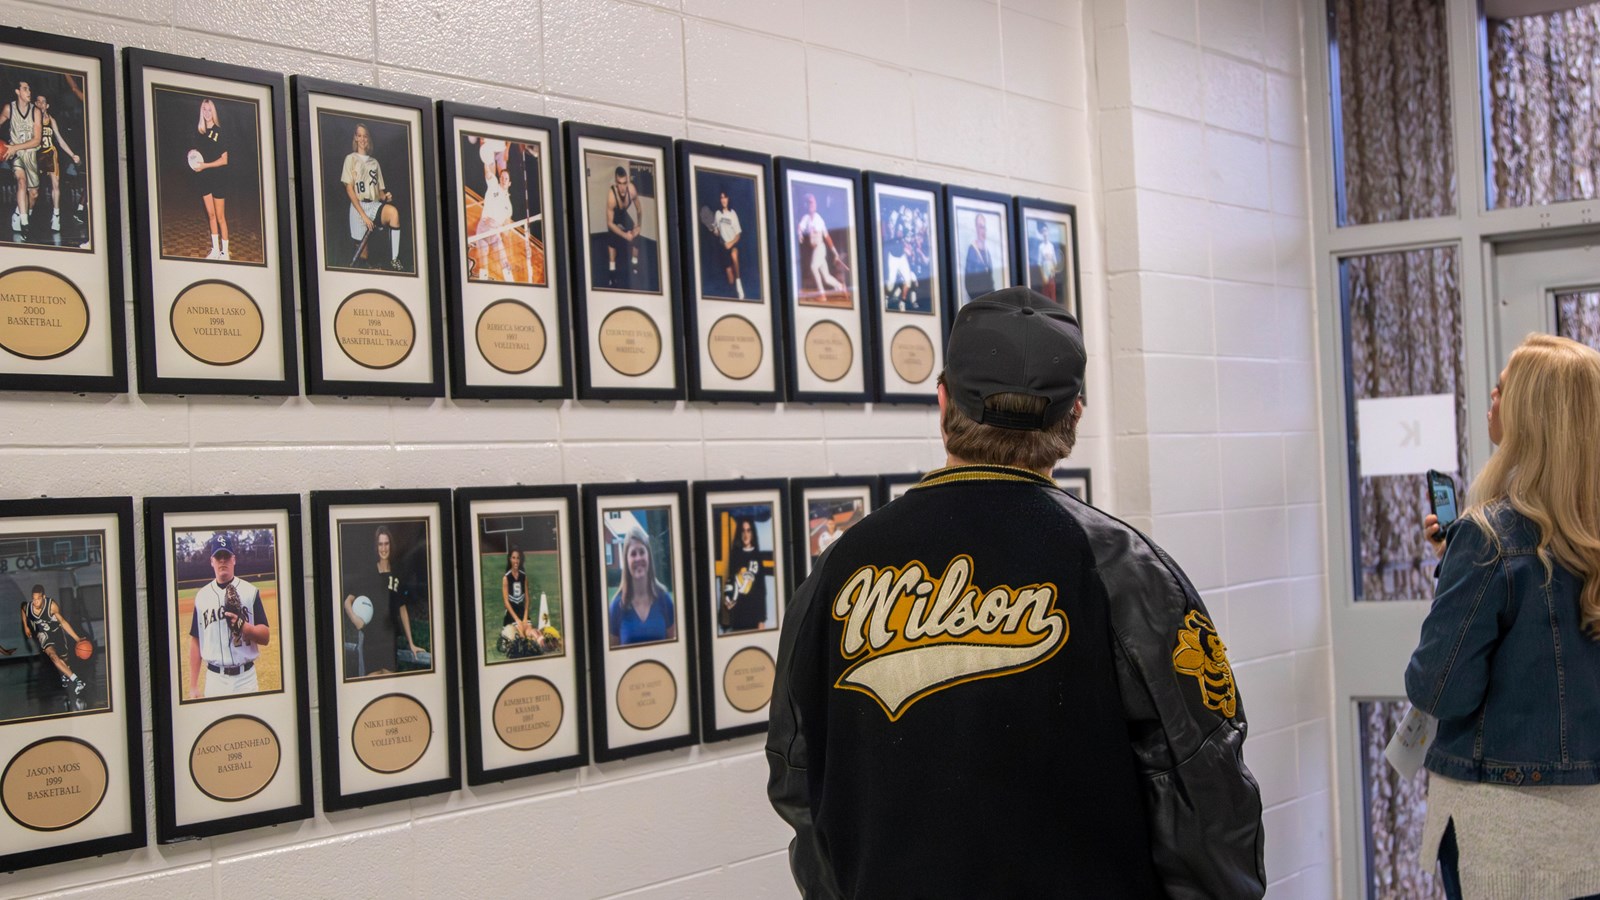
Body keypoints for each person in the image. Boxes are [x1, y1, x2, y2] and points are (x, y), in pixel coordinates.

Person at [767, 286, 1265, 899]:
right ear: (1075, 415)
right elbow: (1206, 795)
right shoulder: (1123, 568)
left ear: (944, 400)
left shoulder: (838, 568)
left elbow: (797, 778)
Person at [1407, 333, 1600, 900]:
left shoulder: (1490, 539)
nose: (1490, 397)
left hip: (1506, 835)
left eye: (1503, 388)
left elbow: (1438, 690)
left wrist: (1461, 570)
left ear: (1533, 416)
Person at [187, 538, 269, 699]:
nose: (222, 560)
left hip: (246, 679)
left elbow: (265, 637)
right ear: (212, 561)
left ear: (234, 559)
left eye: (226, 556)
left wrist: (246, 628)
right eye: (218, 557)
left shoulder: (250, 591)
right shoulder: (202, 596)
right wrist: (193, 685)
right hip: (215, 679)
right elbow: (196, 640)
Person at [343, 525, 423, 676]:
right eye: (380, 544)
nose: (384, 548)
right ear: (376, 546)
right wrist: (355, 619)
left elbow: (402, 609)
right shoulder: (368, 573)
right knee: (371, 685)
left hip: (389, 641)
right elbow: (348, 601)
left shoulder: (397, 574)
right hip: (371, 642)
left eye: (386, 543)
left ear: (390, 545)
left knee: (389, 689)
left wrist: (411, 643)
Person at [340, 123, 404, 271]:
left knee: (393, 213)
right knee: (363, 257)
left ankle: (395, 260)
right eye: (359, 135)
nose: (362, 139)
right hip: (358, 208)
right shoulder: (350, 159)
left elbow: (380, 193)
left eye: (365, 136)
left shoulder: (374, 162)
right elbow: (349, 189)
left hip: (373, 205)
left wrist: (386, 197)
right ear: (355, 138)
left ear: (368, 139)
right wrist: (363, 216)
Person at [607, 522, 675, 646]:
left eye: (642, 552)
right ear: (626, 560)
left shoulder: (664, 600)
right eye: (633, 554)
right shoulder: (616, 607)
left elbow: (674, 649)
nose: (638, 558)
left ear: (648, 556)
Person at [20, 584, 89, 696]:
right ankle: (77, 681)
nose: (35, 602)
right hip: (43, 634)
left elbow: (63, 622)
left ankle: (65, 674)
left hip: (57, 632)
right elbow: (22, 609)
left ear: (44, 597)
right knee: (53, 656)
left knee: (64, 659)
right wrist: (26, 626)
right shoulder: (29, 608)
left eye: (38, 599)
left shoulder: (52, 606)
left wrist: (77, 638)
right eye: (33, 599)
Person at [33, 93, 79, 234]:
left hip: (49, 153)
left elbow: (60, 139)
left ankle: (56, 215)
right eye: (38, 101)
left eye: (43, 102)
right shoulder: (31, 119)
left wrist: (72, 154)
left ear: (47, 106)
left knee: (55, 184)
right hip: (35, 154)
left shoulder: (51, 120)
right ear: (35, 104)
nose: (40, 104)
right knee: (32, 190)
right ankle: (23, 214)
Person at [192, 98, 232, 260]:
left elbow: (225, 160)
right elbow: (198, 153)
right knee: (211, 215)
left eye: (209, 110)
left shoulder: (220, 131)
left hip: (218, 178)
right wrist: (194, 158)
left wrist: (205, 165)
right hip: (203, 178)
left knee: (221, 216)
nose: (207, 113)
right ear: (201, 111)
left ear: (213, 112)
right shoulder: (199, 131)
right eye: (204, 109)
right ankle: (215, 249)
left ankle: (225, 251)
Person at [2, 80, 41, 233]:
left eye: (29, 88)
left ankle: (21, 213)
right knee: (21, 182)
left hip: (31, 154)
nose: (29, 91)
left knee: (34, 194)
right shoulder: (8, 109)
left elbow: (37, 140)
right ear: (17, 92)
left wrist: (15, 147)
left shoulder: (35, 111)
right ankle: (25, 223)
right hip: (16, 154)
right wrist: (11, 148)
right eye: (25, 89)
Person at [720, 516, 768, 633]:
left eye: (748, 530)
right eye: (743, 531)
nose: (746, 534)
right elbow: (730, 583)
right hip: (739, 614)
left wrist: (761, 619)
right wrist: (728, 601)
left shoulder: (757, 556)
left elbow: (761, 589)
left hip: (754, 614)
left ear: (752, 533)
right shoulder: (735, 555)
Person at [796, 192, 845, 298]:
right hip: (815, 250)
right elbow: (800, 227)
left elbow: (827, 237)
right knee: (826, 277)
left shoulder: (819, 219)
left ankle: (821, 293)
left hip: (820, 248)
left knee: (813, 267)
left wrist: (835, 253)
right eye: (808, 203)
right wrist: (799, 234)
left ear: (816, 204)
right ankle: (841, 286)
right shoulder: (806, 218)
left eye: (812, 202)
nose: (810, 205)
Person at [604, 165, 642, 289]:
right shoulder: (611, 197)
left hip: (623, 215)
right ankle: (611, 274)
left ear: (627, 182)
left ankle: (635, 266)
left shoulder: (632, 190)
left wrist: (638, 226)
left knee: (636, 238)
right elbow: (610, 223)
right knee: (612, 245)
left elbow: (639, 209)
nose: (622, 187)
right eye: (619, 183)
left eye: (624, 183)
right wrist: (624, 235)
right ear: (616, 183)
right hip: (614, 219)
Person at [474, 166, 513, 281]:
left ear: (509, 183)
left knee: (505, 262)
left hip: (495, 235)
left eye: (506, 178)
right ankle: (483, 285)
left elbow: (506, 229)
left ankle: (511, 283)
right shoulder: (493, 185)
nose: (503, 179)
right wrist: (486, 155)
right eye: (502, 177)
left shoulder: (509, 207)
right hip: (483, 231)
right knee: (484, 265)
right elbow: (487, 171)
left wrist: (499, 226)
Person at [882, 208, 918, 312]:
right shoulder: (891, 228)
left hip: (902, 256)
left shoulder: (903, 225)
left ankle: (902, 301)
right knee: (890, 285)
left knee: (908, 280)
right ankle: (886, 298)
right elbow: (897, 235)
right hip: (893, 256)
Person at [710, 189, 744, 299]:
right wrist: (716, 232)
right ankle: (734, 295)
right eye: (721, 197)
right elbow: (717, 231)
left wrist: (730, 243)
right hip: (723, 247)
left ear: (728, 199)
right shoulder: (718, 214)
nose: (723, 200)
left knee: (734, 255)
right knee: (730, 278)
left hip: (733, 244)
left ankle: (739, 285)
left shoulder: (733, 213)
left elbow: (738, 234)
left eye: (725, 197)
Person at [963, 213, 995, 302]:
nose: (983, 231)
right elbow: (969, 282)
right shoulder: (972, 250)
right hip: (976, 301)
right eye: (981, 227)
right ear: (976, 228)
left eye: (984, 227)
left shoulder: (987, 252)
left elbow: (990, 278)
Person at [1033, 219, 1059, 303]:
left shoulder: (1051, 246)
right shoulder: (1041, 247)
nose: (1045, 233)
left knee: (1052, 292)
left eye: (1046, 231)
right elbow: (1039, 263)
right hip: (1044, 272)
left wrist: (1053, 270)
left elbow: (1054, 260)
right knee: (1045, 293)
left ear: (1048, 232)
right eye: (1043, 231)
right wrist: (1043, 276)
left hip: (1051, 272)